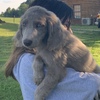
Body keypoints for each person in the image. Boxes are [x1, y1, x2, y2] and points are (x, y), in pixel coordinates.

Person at [5, 0, 100, 100]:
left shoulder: (39, 54)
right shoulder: (27, 62)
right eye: (65, 24)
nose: (70, 31)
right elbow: (92, 84)